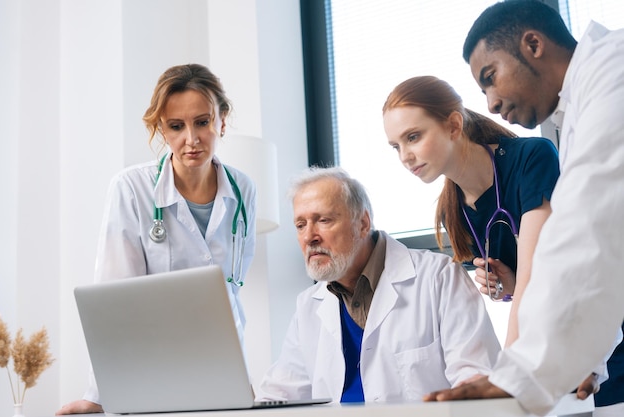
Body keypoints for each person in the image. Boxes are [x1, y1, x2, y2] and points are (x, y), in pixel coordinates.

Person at [423, 2, 624, 416]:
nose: (492, 104)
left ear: (533, 44)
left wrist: (526, 373)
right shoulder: (581, 104)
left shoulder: (613, 75)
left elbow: (588, 234)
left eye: (491, 78)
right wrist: (574, 359)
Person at [56, 64, 257, 415]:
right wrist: (98, 396)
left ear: (222, 120)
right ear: (161, 130)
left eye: (203, 122)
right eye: (176, 126)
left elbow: (232, 291)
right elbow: (113, 299)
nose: (191, 139)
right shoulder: (131, 189)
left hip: (224, 368)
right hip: (152, 369)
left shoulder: (244, 191)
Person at [255, 166, 501, 403]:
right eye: (300, 225)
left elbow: (476, 380)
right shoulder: (308, 305)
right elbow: (280, 394)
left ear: (362, 223)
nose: (309, 236)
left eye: (324, 220)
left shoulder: (439, 277)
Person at [382, 75, 559, 347]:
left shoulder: (532, 158)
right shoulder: (452, 212)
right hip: (554, 335)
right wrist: (506, 287)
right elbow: (521, 289)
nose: (405, 156)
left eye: (413, 137)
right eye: (396, 147)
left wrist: (509, 369)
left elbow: (535, 276)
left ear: (453, 126)